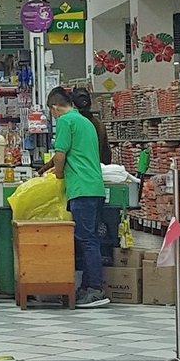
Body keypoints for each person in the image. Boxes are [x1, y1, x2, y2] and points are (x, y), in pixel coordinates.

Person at [44, 86, 110, 308]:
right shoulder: (85, 121)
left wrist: (59, 174)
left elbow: (60, 155)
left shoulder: (66, 121)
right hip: (95, 187)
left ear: (54, 107)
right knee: (91, 238)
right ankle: (88, 286)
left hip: (81, 188)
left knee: (86, 240)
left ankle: (95, 289)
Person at [70, 88, 120, 265]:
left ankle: (90, 273)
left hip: (81, 185)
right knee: (96, 231)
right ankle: (101, 261)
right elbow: (106, 153)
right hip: (97, 181)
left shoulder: (74, 123)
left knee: (85, 237)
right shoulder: (98, 124)